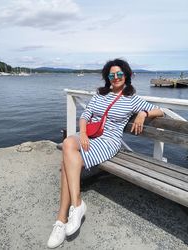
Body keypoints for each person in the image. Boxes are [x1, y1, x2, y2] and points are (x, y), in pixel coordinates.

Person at [47, 58, 164, 248]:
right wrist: (83, 133)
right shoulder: (100, 95)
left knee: (66, 161)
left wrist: (143, 113)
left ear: (126, 76)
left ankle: (61, 220)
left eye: (119, 74)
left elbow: (160, 112)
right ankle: (77, 206)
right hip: (90, 136)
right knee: (69, 142)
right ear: (107, 77)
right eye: (112, 75)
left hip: (109, 142)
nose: (116, 77)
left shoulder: (131, 99)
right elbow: (86, 115)